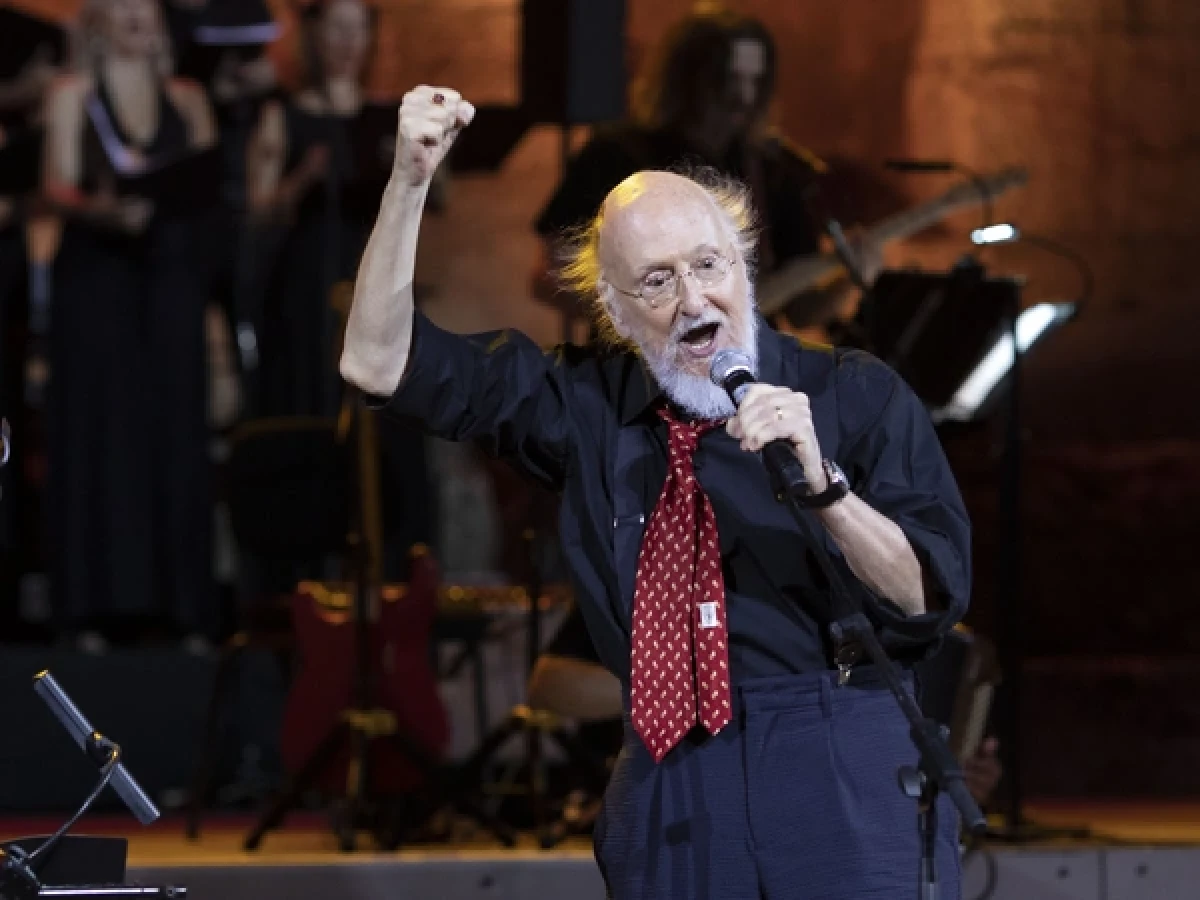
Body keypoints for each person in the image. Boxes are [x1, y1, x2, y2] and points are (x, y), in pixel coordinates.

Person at [342, 86, 972, 899]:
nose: (694, 300)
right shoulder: (583, 407)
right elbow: (375, 363)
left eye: (709, 265)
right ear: (614, 307)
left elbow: (927, 597)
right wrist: (408, 183)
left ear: (743, 263)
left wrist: (827, 490)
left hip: (834, 753)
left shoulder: (854, 394)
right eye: (657, 280)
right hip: (670, 770)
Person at [533, 9, 880, 342]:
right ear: (686, 80)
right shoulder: (616, 156)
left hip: (743, 374)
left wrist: (849, 278)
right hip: (635, 372)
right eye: (727, 80)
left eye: (755, 81)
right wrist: (647, 319)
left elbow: (801, 311)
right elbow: (549, 277)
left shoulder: (773, 172)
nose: (743, 97)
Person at [41, 0, 220, 647]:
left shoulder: (188, 97)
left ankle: (184, 607)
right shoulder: (73, 93)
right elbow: (56, 184)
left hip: (170, 276)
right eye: (121, 2)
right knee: (100, 432)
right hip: (99, 280)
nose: (136, 14)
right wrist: (101, 210)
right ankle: (91, 607)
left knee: (173, 431)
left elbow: (208, 179)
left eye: (145, 2)